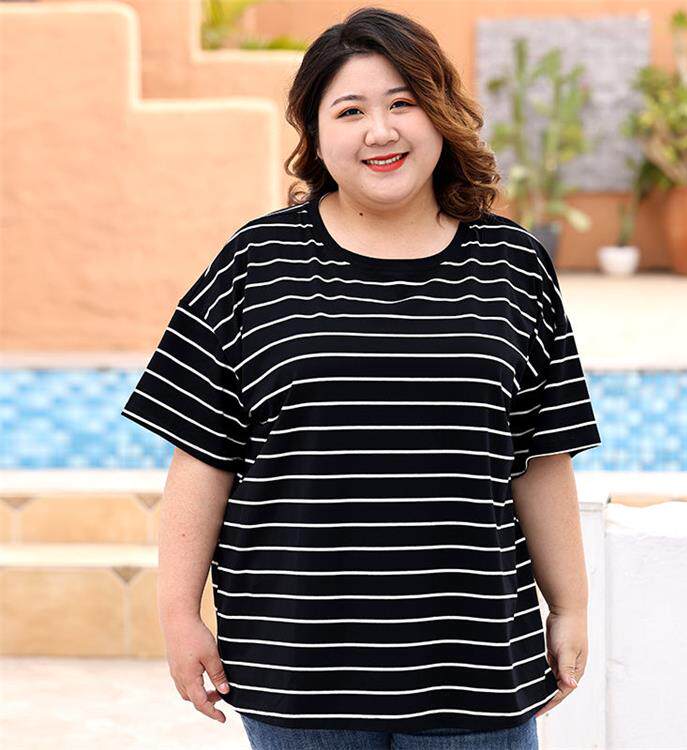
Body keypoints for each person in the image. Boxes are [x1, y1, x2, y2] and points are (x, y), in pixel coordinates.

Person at [120, 6, 602, 749]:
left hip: (473, 664)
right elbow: (202, 453)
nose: (381, 132)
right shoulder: (256, 262)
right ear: (315, 135)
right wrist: (179, 614)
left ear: (440, 114)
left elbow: (541, 455)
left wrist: (569, 605)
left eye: (403, 103)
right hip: (296, 669)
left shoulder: (513, 265)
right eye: (350, 110)